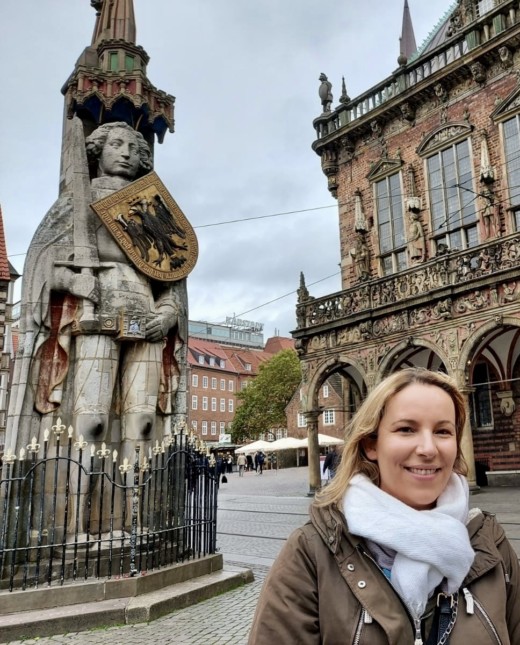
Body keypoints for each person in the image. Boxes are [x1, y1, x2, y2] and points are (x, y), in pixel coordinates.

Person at [249, 368, 520, 644]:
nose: (428, 449)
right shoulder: (312, 553)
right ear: (371, 444)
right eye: (406, 429)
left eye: (442, 431)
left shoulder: (490, 544)